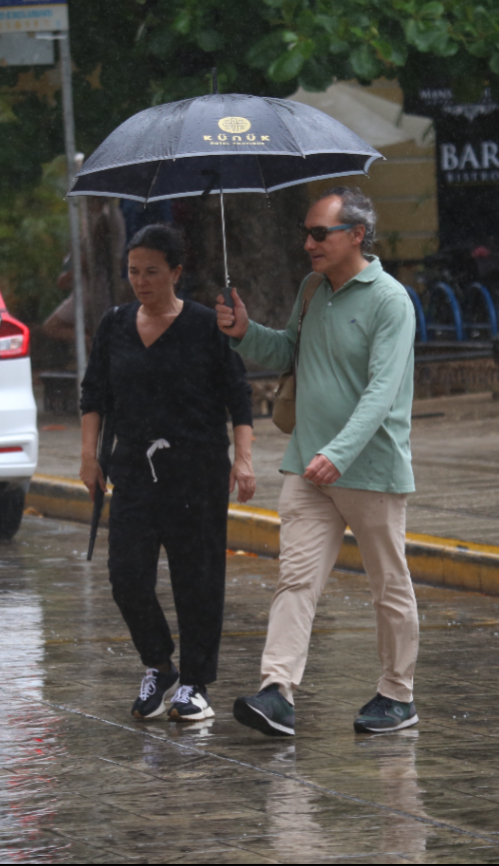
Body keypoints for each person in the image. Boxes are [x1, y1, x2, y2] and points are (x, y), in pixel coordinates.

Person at [215, 187, 420, 737]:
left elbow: (383, 392)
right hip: (308, 465)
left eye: (318, 233)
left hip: (369, 468)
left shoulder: (390, 300)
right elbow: (288, 352)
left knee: (388, 586)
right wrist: (243, 333)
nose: (307, 244)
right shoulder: (311, 290)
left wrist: (341, 451)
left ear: (356, 235)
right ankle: (277, 691)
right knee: (295, 580)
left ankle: (397, 695)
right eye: (306, 233)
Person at [79, 223, 256, 724]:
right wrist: (89, 456)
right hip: (133, 472)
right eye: (134, 272)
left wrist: (243, 459)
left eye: (152, 272)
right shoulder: (114, 325)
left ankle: (196, 683)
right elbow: (93, 395)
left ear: (177, 272)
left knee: (197, 580)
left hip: (196, 473)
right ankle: (160, 665)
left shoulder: (206, 325)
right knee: (126, 578)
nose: (141, 281)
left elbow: (238, 398)